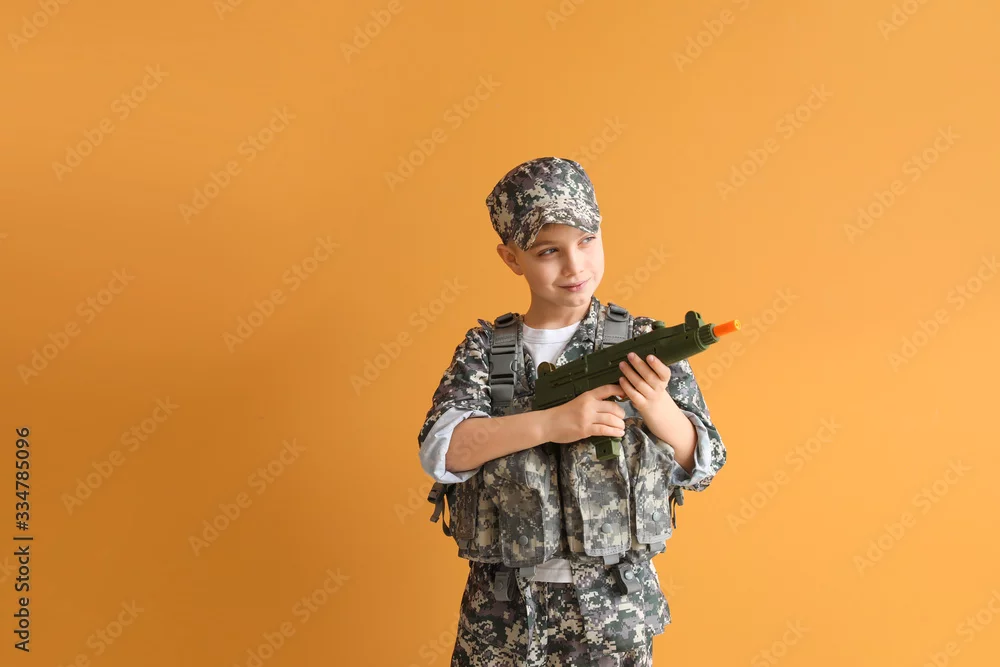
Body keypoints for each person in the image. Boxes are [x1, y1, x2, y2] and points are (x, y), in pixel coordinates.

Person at [416, 157, 727, 666]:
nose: (575, 265)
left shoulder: (644, 342)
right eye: (548, 251)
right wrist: (552, 424)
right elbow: (442, 452)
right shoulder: (486, 349)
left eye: (587, 241)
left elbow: (705, 462)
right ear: (511, 258)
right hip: (503, 616)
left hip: (614, 612)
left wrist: (657, 407)